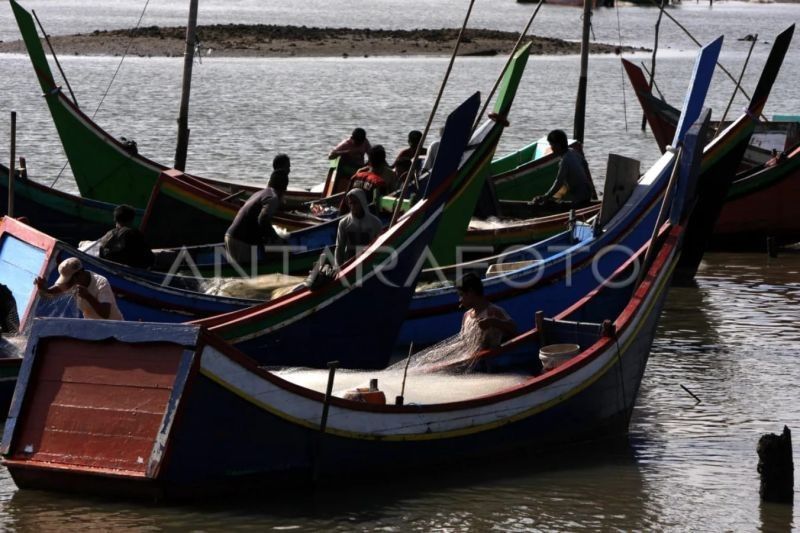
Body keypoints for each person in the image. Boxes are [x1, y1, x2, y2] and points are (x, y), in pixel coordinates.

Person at [225, 155, 290, 264]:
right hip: (241, 241)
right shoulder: (273, 198)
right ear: (284, 188)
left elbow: (256, 220)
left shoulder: (260, 193)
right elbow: (262, 220)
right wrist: (276, 238)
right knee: (247, 278)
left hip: (230, 236)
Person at [34, 258, 124, 320]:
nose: (68, 284)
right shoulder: (72, 283)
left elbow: (105, 314)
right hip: (93, 329)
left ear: (79, 274)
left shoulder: (101, 282)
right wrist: (43, 288)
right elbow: (49, 294)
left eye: (69, 280)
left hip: (115, 331)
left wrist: (88, 296)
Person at [532, 129, 596, 209]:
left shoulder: (565, 161)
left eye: (551, 145)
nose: (551, 148)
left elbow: (559, 182)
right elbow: (585, 164)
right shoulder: (573, 152)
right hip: (587, 194)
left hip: (580, 199)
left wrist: (546, 197)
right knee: (558, 196)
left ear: (558, 145)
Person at [455, 272, 516, 351]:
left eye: (461, 295)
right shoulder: (466, 315)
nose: (460, 300)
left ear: (471, 292)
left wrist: (493, 322)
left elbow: (513, 328)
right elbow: (463, 341)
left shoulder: (493, 311)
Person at [334, 188, 383, 268]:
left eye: (355, 203)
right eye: (350, 203)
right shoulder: (344, 223)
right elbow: (339, 247)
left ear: (362, 202)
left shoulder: (375, 223)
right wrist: (338, 268)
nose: (352, 206)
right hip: (349, 264)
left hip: (368, 263)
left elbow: (380, 247)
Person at [97, 204, 154, 268]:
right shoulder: (134, 234)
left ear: (115, 219)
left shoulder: (107, 235)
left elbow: (101, 254)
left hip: (109, 268)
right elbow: (149, 258)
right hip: (131, 271)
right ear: (132, 220)